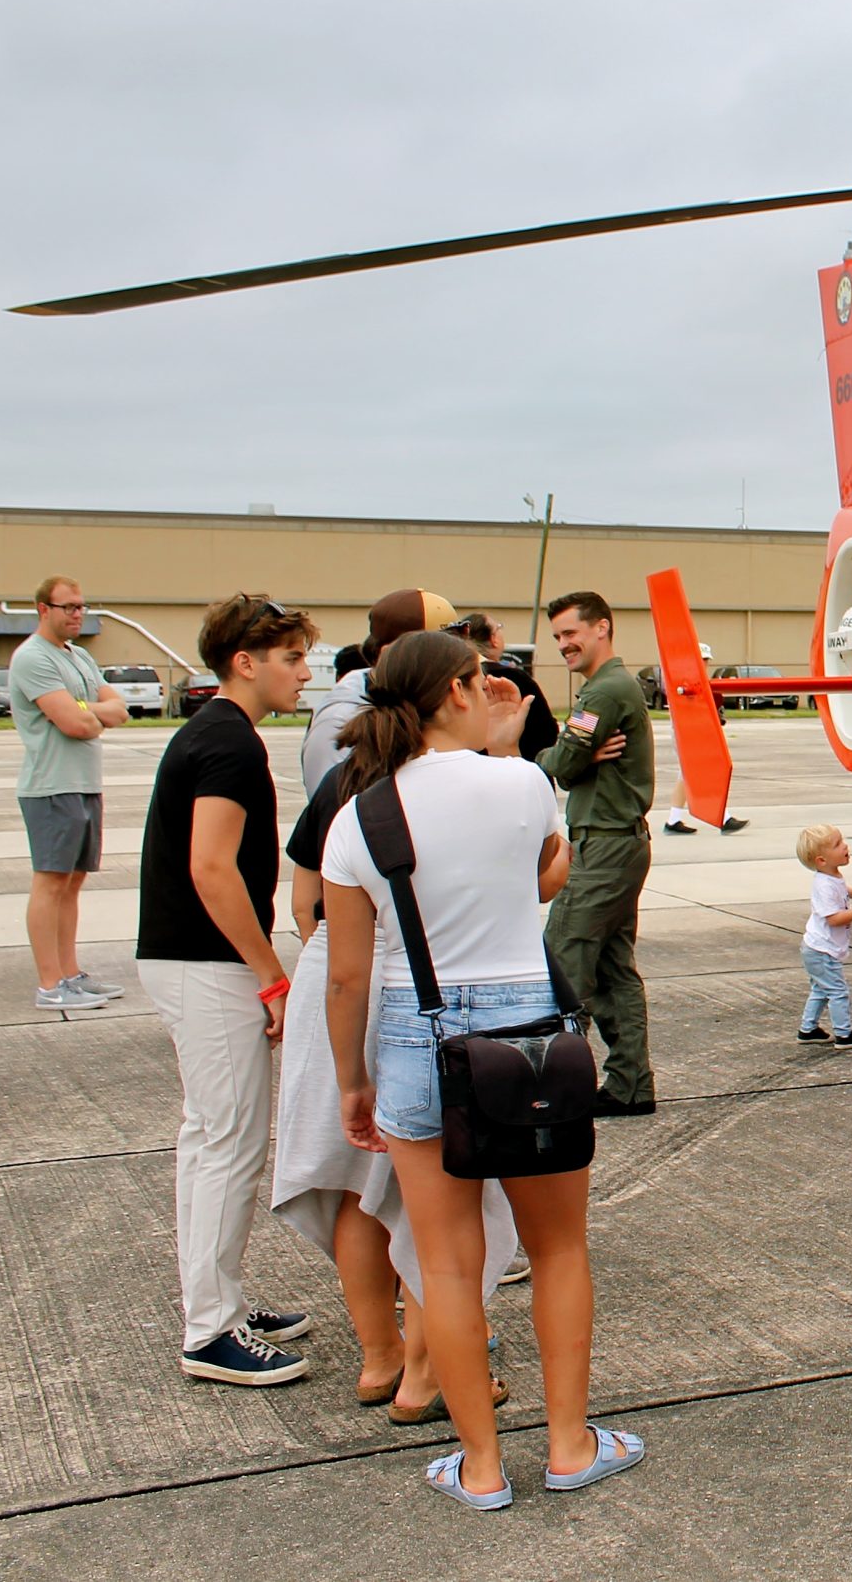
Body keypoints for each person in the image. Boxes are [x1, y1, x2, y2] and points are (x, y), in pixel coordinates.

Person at [322, 630, 643, 1509]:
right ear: (460, 689)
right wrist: (505, 746)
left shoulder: (360, 815)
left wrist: (353, 1080)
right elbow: (543, 879)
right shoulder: (524, 781)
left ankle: (482, 1466)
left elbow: (347, 974)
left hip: (410, 1028)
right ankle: (573, 1444)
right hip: (525, 1027)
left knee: (447, 1264)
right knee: (559, 1246)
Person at [271, 731, 520, 1423]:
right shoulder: (455, 787)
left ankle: (379, 1356)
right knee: (429, 1189)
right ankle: (426, 1368)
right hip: (408, 973)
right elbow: (531, 877)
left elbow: (303, 901)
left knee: (356, 1183)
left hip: (329, 970)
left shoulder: (342, 783)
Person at [136, 592, 319, 1386]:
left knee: (214, 1139)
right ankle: (209, 1331)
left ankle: (220, 1299)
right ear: (245, 662)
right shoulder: (229, 744)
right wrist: (270, 973)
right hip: (207, 964)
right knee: (228, 1143)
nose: (304, 671)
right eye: (291, 657)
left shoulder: (218, 731)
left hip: (193, 959)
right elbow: (211, 869)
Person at [538, 590, 659, 1116]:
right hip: (617, 841)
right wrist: (575, 753)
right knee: (612, 971)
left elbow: (561, 765)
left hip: (605, 846)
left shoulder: (603, 693)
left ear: (602, 628)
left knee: (560, 962)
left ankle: (554, 1085)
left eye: (571, 633)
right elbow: (574, 758)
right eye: (559, 636)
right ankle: (630, 1085)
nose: (564, 644)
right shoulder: (608, 689)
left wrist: (563, 751)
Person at [11, 575, 128, 1011]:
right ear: (44, 609)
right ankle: (49, 984)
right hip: (51, 786)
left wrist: (86, 709)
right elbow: (76, 725)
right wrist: (92, 713)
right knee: (51, 881)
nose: (78, 614)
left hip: (84, 783)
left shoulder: (78, 656)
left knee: (74, 882)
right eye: (69, 607)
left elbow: (118, 709)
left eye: (81, 606)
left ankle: (69, 973)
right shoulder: (32, 658)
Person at [302, 588, 456, 796]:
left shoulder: (421, 703)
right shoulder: (339, 721)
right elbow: (336, 813)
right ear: (389, 653)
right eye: (440, 657)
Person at [443, 611, 558, 761]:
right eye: (498, 628)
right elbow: (547, 733)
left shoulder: (446, 676)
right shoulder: (516, 678)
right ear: (493, 639)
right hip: (522, 767)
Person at [794, 824, 852, 1048]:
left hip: (818, 948)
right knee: (838, 991)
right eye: (837, 844)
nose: (845, 846)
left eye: (842, 840)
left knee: (821, 989)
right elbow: (833, 919)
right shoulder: (823, 886)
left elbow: (841, 887)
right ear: (821, 860)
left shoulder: (833, 876)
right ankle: (844, 1034)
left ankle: (808, 1030)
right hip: (822, 950)